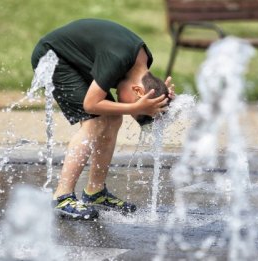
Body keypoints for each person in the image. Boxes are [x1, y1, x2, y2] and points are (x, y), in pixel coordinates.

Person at [31, 18, 175, 220]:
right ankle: (62, 197)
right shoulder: (118, 59)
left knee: (113, 119)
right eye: (136, 114)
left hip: (78, 60)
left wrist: (162, 97)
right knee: (95, 121)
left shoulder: (142, 62)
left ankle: (95, 192)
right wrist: (135, 106)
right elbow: (90, 105)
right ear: (137, 91)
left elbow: (136, 92)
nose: (131, 112)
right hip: (55, 57)